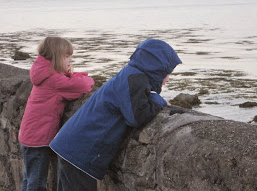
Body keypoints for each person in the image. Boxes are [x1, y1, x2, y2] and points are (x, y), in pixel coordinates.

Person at [49, 39, 182, 191]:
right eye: (167, 73)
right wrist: (158, 101)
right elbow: (137, 117)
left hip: (71, 144)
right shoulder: (135, 79)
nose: (168, 78)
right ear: (157, 68)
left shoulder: (131, 73)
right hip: (79, 150)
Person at [19, 37, 95, 191]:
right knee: (36, 184)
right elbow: (82, 86)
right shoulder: (54, 80)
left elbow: (66, 80)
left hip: (29, 135)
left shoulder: (44, 74)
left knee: (29, 179)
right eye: (66, 57)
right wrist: (88, 78)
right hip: (38, 139)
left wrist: (71, 74)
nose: (70, 60)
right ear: (55, 57)